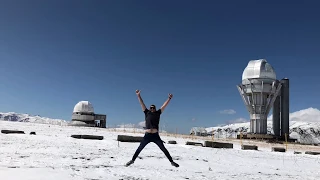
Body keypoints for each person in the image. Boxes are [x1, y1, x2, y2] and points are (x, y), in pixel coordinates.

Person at [125, 90, 179, 168]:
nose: (152, 109)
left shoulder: (158, 113)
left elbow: (164, 106)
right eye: (151, 108)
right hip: (147, 136)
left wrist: (169, 98)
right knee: (140, 148)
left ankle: (171, 161)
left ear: (155, 108)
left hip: (155, 136)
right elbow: (142, 103)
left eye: (153, 108)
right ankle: (132, 160)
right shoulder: (147, 113)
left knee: (163, 148)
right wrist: (138, 95)